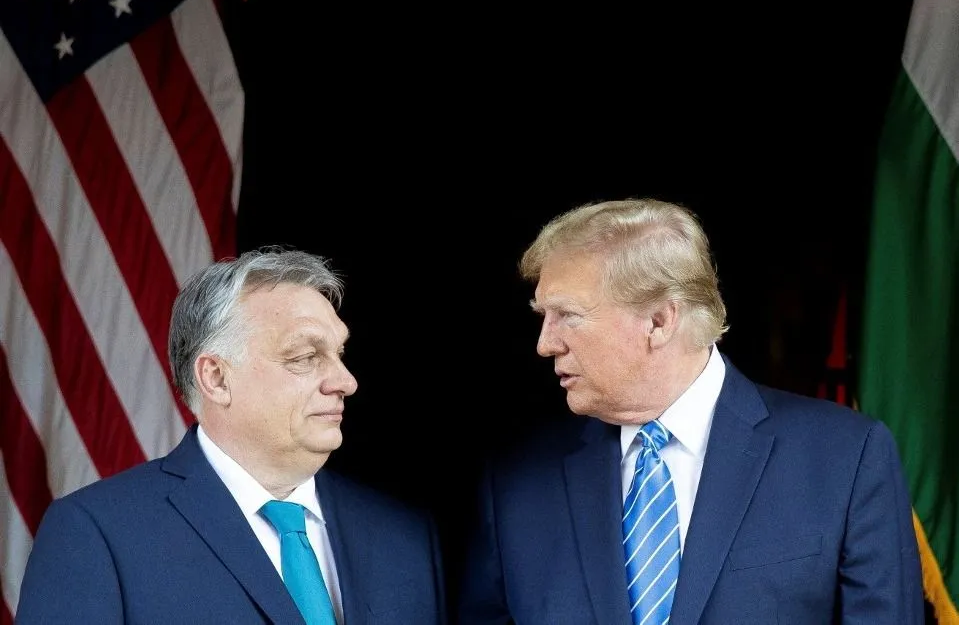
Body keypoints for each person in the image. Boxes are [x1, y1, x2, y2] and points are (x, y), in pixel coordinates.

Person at [457, 198, 923, 624]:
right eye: (544, 317)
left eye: (568, 316)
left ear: (659, 321)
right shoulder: (515, 486)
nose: (545, 344)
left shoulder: (846, 458)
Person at [17, 248, 447, 624]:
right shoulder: (97, 536)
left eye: (338, 354)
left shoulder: (404, 539)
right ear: (217, 378)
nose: (345, 381)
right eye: (305, 356)